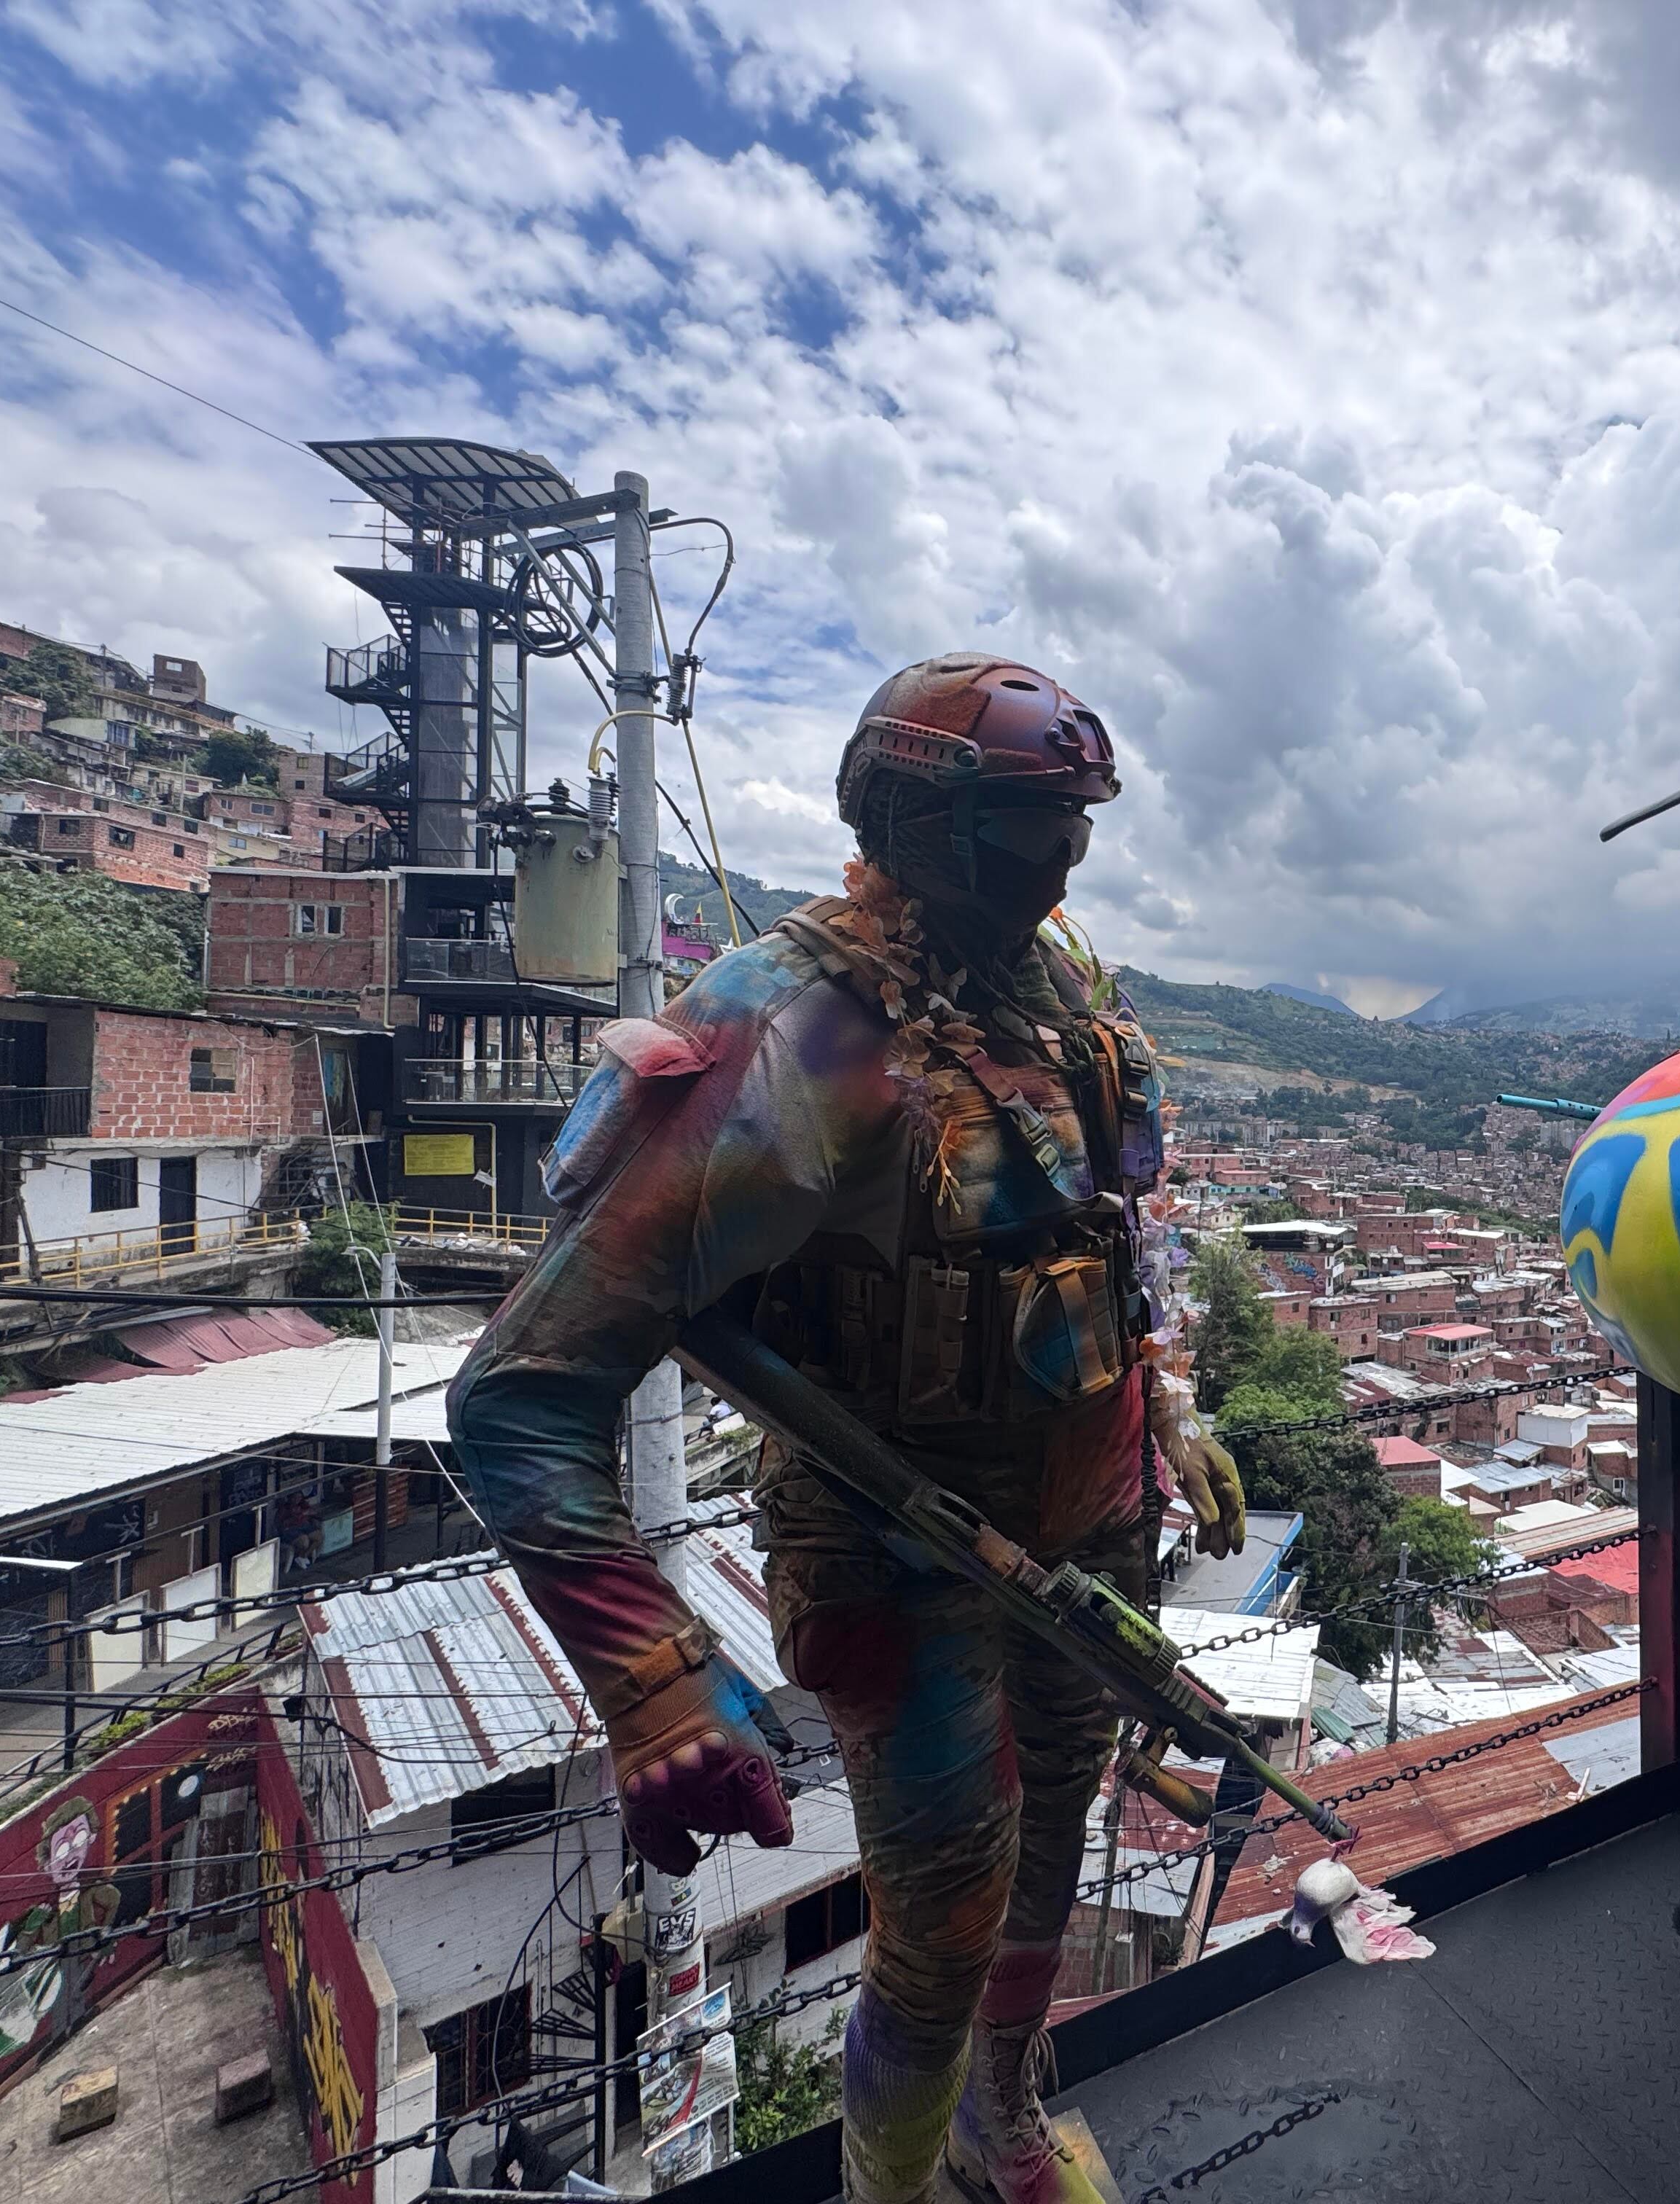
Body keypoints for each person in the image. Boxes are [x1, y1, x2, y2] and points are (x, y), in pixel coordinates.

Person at [448, 654, 1246, 2203]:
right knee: (939, 1924)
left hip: (1091, 1525)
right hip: (907, 1555)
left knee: (1045, 1870)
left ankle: (998, 2129)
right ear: (923, 820)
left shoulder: (1053, 974)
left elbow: (1110, 1232)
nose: (1065, 856)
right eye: (1029, 822)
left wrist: (1173, 1411)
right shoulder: (791, 1037)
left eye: (1073, 819)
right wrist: (655, 1690)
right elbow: (523, 1394)